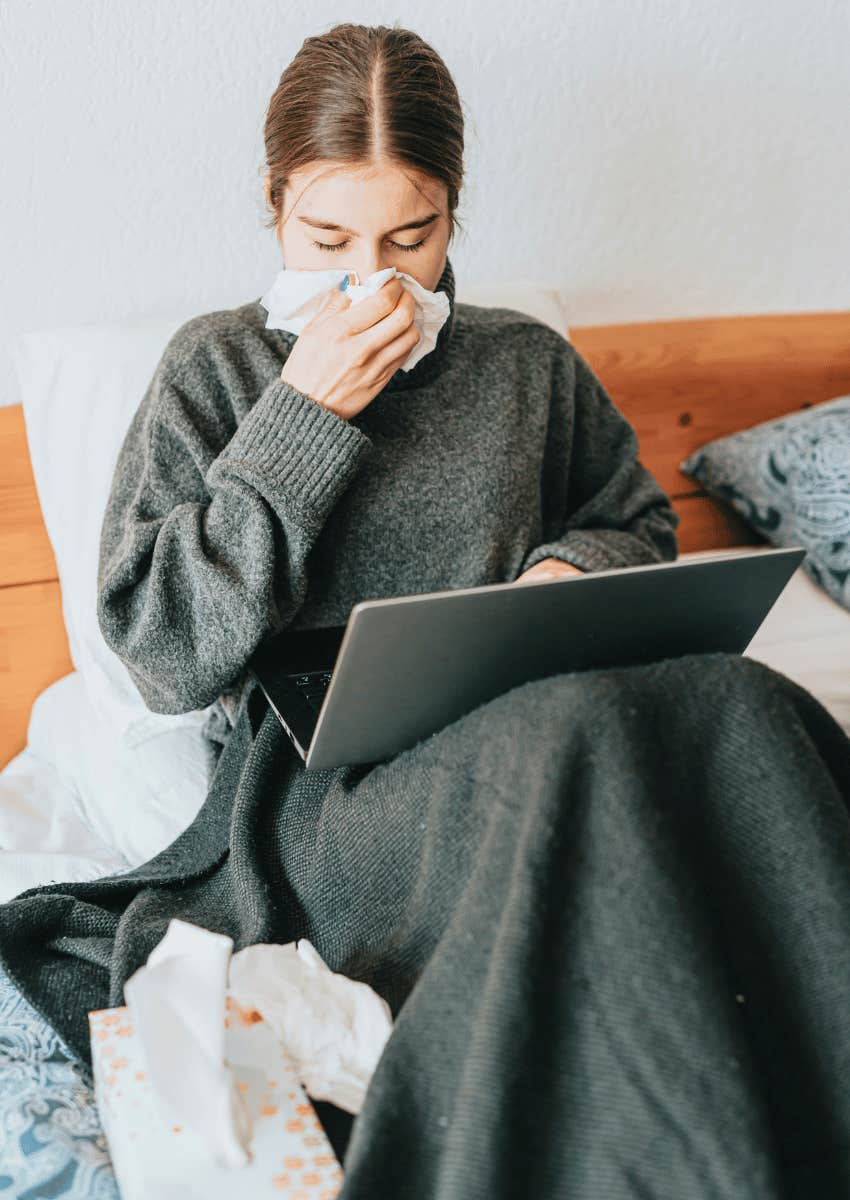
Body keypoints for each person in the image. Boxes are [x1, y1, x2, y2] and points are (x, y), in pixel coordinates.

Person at [2, 22, 850, 1200]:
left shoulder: (523, 361)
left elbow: (632, 521)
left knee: (743, 701)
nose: (373, 275)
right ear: (274, 207)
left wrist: (567, 573)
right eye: (328, 238)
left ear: (453, 213)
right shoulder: (213, 369)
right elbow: (161, 653)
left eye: (413, 235)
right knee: (582, 749)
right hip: (320, 782)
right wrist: (303, 420)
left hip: (529, 699)